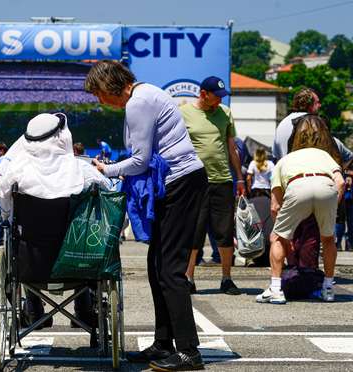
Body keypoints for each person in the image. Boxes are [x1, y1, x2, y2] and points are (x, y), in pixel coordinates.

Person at [85, 61, 206, 371]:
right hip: (177, 182)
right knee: (156, 266)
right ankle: (163, 343)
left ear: (111, 86)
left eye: (99, 94)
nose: (101, 102)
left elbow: (139, 161)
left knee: (170, 270)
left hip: (182, 182)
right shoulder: (145, 93)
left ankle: (189, 352)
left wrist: (106, 169)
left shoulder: (137, 102)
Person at [0, 112, 112, 329]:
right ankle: (84, 310)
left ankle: (33, 310)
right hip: (78, 261)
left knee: (24, 237)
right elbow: (107, 197)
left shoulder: (16, 173)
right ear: (61, 137)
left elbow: (4, 210)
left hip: (32, 263)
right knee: (81, 239)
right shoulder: (83, 171)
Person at [257, 114, 344, 304]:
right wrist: (332, 205)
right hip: (326, 186)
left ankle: (276, 289)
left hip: (297, 186)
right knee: (328, 239)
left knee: (277, 238)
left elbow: (275, 206)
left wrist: (283, 234)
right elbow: (340, 181)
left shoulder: (285, 160)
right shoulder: (325, 155)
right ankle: (328, 288)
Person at [181, 76, 244, 296]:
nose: (219, 101)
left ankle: (226, 278)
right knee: (194, 231)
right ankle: (188, 278)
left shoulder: (225, 113)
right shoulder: (184, 113)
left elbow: (232, 148)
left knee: (224, 232)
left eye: (221, 97)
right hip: (194, 182)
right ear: (203, 94)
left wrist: (240, 177)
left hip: (223, 180)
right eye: (215, 97)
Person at [272, 88, 320, 162]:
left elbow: (275, 156)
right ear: (310, 105)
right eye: (317, 103)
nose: (320, 105)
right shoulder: (314, 123)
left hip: (285, 171)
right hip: (307, 171)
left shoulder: (282, 124)